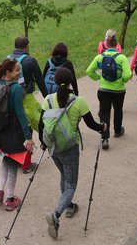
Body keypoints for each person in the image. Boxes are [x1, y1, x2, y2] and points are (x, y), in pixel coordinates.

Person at [38, 67, 105, 240]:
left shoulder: (48, 100)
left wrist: (43, 142)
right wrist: (103, 127)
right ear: (70, 82)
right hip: (69, 147)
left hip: (53, 147)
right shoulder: (78, 101)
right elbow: (91, 124)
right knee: (70, 184)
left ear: (54, 81)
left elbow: (40, 125)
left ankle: (69, 206)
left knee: (64, 175)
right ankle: (56, 213)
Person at [0, 58, 36, 211]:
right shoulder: (16, 89)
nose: (20, 73)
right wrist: (28, 136)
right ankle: (10, 199)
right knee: (12, 166)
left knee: (5, 162)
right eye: (17, 70)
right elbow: (20, 114)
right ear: (8, 72)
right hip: (12, 134)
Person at [86, 32, 131, 150]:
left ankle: (105, 138)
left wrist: (99, 78)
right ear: (116, 45)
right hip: (119, 90)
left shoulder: (99, 57)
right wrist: (122, 80)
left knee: (104, 112)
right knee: (118, 110)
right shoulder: (122, 58)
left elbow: (89, 71)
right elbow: (128, 75)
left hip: (104, 89)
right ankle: (117, 130)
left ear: (106, 44)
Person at [10, 36, 47, 173]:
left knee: (18, 129)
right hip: (27, 99)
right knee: (29, 128)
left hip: (11, 99)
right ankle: (26, 165)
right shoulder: (30, 61)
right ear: (27, 46)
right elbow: (40, 80)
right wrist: (48, 98)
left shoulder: (7, 60)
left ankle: (16, 160)